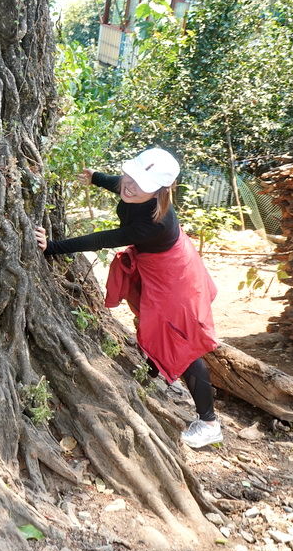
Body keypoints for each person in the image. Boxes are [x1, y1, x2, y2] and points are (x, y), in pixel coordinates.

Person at [34, 148, 223, 449]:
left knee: (183, 344)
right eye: (130, 175)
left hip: (176, 278)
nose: (130, 185)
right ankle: (151, 372)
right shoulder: (135, 189)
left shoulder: (153, 223)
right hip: (159, 267)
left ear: (159, 191)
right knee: (150, 322)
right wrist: (97, 178)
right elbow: (123, 186)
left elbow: (104, 239)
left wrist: (53, 247)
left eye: (141, 183)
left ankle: (209, 422)